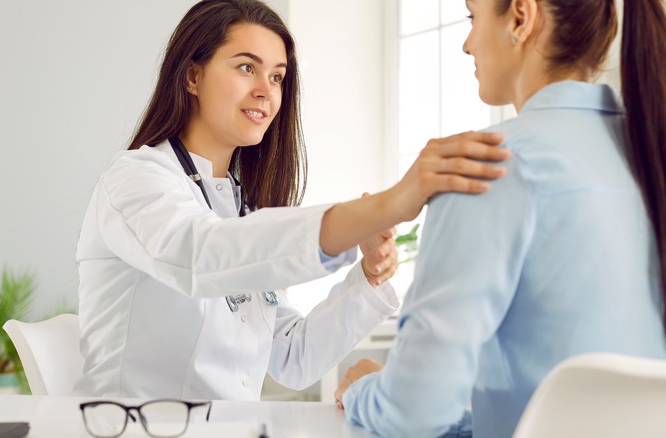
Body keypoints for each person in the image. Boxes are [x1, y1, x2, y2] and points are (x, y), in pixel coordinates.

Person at [73, 0, 509, 400]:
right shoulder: (135, 179)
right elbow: (200, 256)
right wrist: (386, 204)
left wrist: (367, 280)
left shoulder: (240, 207)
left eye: (277, 76)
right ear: (192, 76)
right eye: (247, 68)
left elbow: (292, 358)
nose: (267, 90)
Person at [335, 0, 666, 436]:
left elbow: (413, 414)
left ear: (520, 17)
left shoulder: (485, 167)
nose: (466, 44)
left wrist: (364, 389)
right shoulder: (658, 156)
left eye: (472, 17)